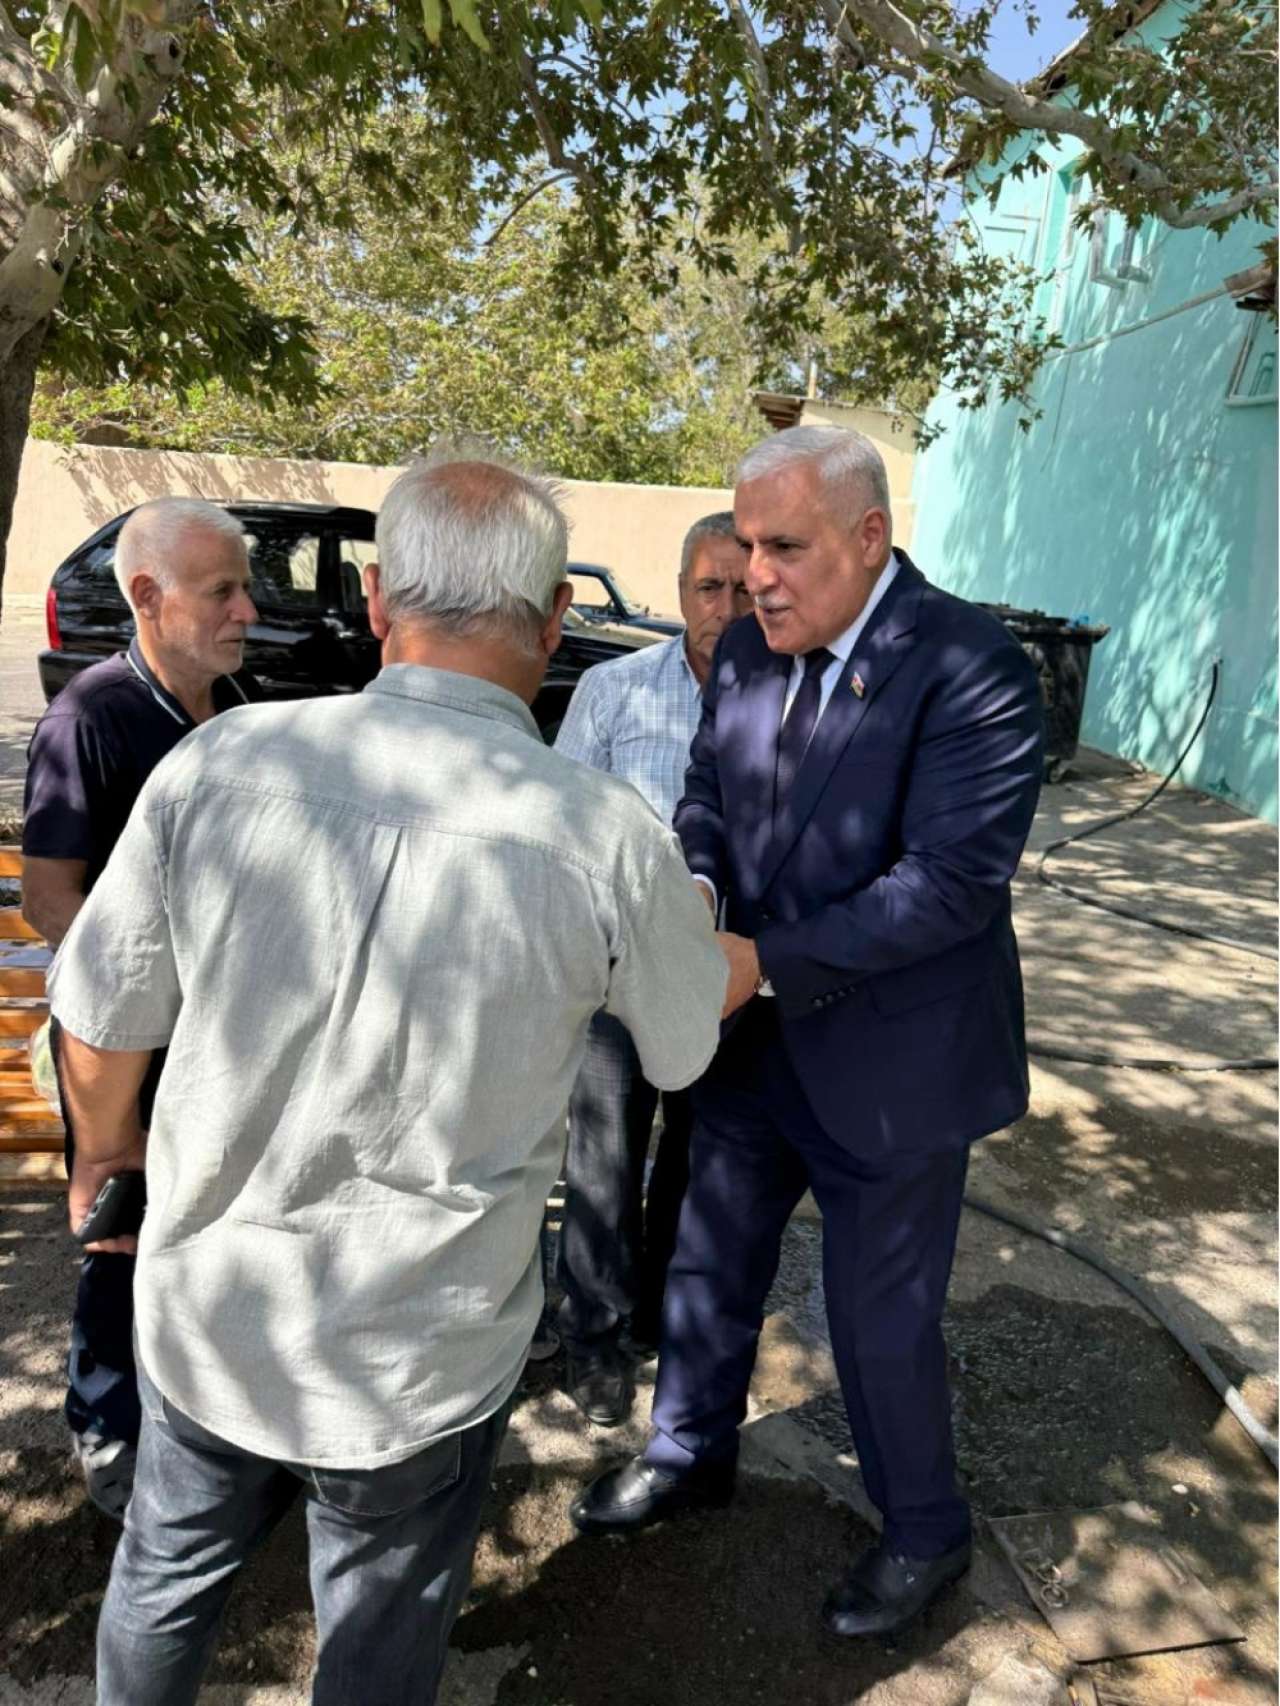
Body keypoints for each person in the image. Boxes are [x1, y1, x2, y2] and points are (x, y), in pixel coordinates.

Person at [49, 454, 727, 1706]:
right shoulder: (603, 834)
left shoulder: (219, 762)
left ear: (373, 599)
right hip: (422, 1355)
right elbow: (684, 1043)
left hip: (211, 1312)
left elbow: (95, 1013)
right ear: (555, 618)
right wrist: (719, 937)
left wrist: (107, 1150)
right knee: (377, 1642)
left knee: (164, 1577)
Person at [571, 425, 1045, 1640]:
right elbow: (706, 794)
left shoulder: (969, 665)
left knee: (877, 1318)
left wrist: (761, 960)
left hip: (891, 1060)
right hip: (749, 1042)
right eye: (744, 546)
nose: (756, 576)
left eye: (782, 546)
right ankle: (687, 1451)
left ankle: (924, 1530)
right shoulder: (744, 650)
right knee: (706, 1259)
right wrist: (695, 889)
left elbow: (949, 884)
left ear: (868, 535)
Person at [21, 496, 260, 1518]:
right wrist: (139, 996)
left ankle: (201, 1413)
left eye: (246, 587)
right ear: (150, 596)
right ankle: (107, 1426)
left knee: (217, 1225)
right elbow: (47, 896)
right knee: (121, 1235)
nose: (249, 611)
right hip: (129, 1045)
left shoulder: (237, 703)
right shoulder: (90, 716)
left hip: (228, 1039)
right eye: (224, 591)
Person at [553, 513, 751, 1425]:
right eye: (709, 587)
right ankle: (594, 1336)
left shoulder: (789, 705)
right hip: (616, 976)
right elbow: (560, 825)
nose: (726, 606)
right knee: (603, 1157)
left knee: (699, 1160)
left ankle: (661, 1316)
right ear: (679, 593)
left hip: (732, 980)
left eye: (743, 588)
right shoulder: (614, 689)